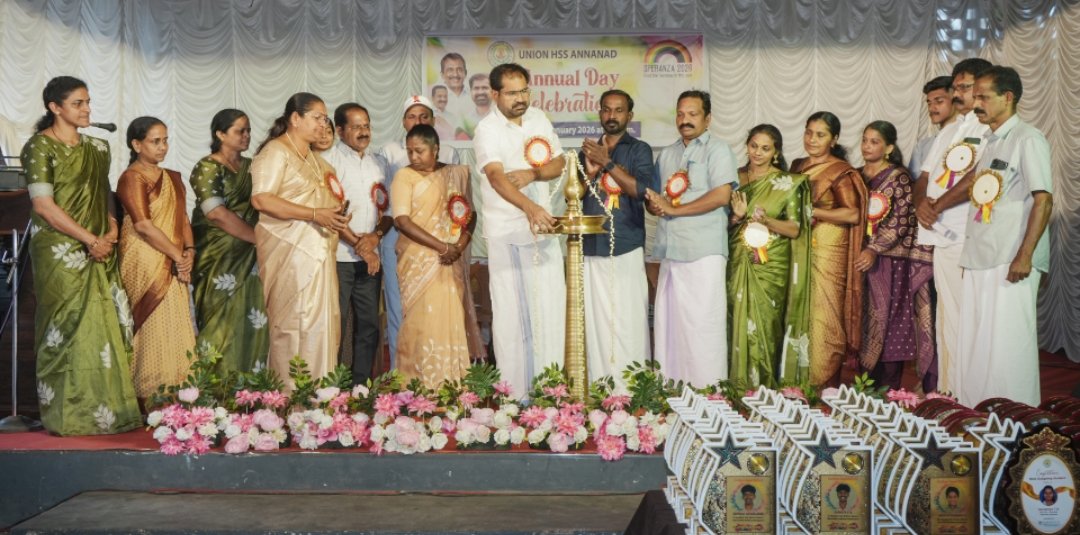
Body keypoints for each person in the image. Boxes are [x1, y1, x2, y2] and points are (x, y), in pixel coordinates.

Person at [925, 66, 1052, 406]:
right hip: (981, 255)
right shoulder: (993, 140)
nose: (975, 103)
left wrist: (1025, 255)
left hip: (1011, 257)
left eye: (983, 97)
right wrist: (937, 204)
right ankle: (977, 412)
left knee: (1008, 343)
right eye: (975, 96)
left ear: (1007, 97)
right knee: (976, 343)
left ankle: (1015, 416)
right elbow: (974, 185)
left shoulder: (1028, 138)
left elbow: (1043, 199)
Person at [21, 76, 140, 435]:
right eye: (78, 103)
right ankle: (69, 416)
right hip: (60, 250)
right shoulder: (39, 147)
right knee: (67, 324)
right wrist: (89, 239)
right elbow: (43, 205)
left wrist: (112, 229)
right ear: (55, 108)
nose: (87, 109)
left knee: (105, 326)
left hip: (101, 247)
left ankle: (107, 413)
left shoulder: (98, 148)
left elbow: (104, 194)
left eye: (88, 102)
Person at [473, 63, 568, 397]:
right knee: (513, 318)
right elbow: (497, 178)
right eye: (512, 93)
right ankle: (515, 396)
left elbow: (559, 162)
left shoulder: (539, 118)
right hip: (507, 232)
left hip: (543, 229)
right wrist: (530, 208)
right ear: (495, 94)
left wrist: (533, 175)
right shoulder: (487, 129)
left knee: (550, 309)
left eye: (524, 90)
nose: (521, 98)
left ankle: (551, 391)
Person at [250, 92, 348, 386]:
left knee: (323, 324)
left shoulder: (318, 162)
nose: (323, 124)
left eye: (325, 119)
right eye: (317, 117)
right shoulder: (275, 152)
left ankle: (321, 395)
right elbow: (261, 199)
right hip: (290, 256)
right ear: (295, 118)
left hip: (320, 253)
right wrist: (314, 214)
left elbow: (324, 204)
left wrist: (333, 217)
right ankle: (291, 397)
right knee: (294, 323)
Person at [645, 90, 737, 388]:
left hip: (703, 252)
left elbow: (721, 195)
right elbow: (658, 199)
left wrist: (674, 209)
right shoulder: (667, 154)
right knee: (670, 328)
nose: (685, 120)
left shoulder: (718, 150)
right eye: (681, 114)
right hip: (671, 251)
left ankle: (708, 393)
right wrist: (654, 204)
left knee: (702, 328)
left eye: (693, 114)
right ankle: (672, 391)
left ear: (708, 119)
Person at [914, 58, 993, 396]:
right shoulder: (950, 130)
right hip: (940, 236)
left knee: (964, 316)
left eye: (964, 88)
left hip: (966, 234)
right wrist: (921, 203)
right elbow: (924, 176)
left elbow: (979, 177)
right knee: (946, 316)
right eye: (957, 88)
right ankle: (947, 390)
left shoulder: (988, 129)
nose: (958, 94)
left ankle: (968, 395)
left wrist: (938, 206)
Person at [391, 124, 484, 388]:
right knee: (420, 323)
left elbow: (470, 214)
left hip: (449, 262)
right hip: (419, 262)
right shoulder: (404, 176)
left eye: (419, 151)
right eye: (409, 151)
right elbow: (401, 221)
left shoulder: (455, 174)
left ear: (436, 149)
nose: (414, 157)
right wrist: (442, 247)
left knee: (448, 320)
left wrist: (459, 246)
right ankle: (416, 386)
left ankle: (451, 385)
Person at [577, 89, 655, 391]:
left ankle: (633, 390)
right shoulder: (586, 150)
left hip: (625, 245)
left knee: (628, 322)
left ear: (629, 116)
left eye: (619, 110)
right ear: (599, 113)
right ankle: (601, 389)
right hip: (591, 246)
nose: (612, 115)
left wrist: (607, 164)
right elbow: (575, 196)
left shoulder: (639, 150)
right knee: (596, 324)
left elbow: (641, 190)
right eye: (607, 109)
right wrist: (590, 172)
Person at [116, 116, 197, 399]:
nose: (162, 147)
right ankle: (148, 395)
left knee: (176, 323)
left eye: (165, 141)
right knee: (152, 324)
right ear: (136, 144)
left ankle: (179, 394)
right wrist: (178, 256)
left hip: (174, 256)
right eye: (155, 141)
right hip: (144, 257)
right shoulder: (131, 177)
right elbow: (143, 225)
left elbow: (182, 219)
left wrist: (189, 252)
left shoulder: (173, 177)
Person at [727, 125, 812, 387]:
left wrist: (767, 221)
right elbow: (720, 224)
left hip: (770, 265)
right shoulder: (734, 178)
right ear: (747, 146)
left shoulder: (788, 183)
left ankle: (763, 386)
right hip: (737, 259)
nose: (758, 153)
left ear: (776, 152)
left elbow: (795, 229)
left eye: (765, 148)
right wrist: (737, 217)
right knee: (734, 320)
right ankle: (735, 386)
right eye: (754, 146)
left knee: (765, 322)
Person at [378, 95, 460, 369]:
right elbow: (384, 200)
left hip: (441, 241)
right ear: (403, 121)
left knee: (441, 306)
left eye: (424, 116)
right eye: (412, 117)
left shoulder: (448, 153)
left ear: (433, 121)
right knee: (400, 306)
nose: (418, 121)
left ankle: (438, 370)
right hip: (400, 235)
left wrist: (452, 244)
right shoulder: (390, 151)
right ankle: (400, 372)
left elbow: (458, 204)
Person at [855, 121, 936, 393]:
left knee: (889, 323)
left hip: (889, 263)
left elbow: (901, 220)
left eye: (874, 141)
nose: (867, 146)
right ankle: (863, 389)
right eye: (865, 140)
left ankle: (889, 392)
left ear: (889, 147)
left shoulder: (899, 178)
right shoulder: (855, 176)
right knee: (862, 323)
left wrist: (873, 249)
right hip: (858, 260)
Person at [189, 109, 269, 374]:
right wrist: (259, 238)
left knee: (252, 314)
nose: (246, 136)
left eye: (248, 130)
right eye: (239, 131)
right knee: (219, 323)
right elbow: (216, 213)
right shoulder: (207, 167)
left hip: (251, 257)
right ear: (220, 134)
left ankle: (252, 387)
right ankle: (216, 387)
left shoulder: (253, 167)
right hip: (218, 256)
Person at [791, 112, 867, 387]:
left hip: (828, 249)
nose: (812, 139)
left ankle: (821, 381)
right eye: (809, 132)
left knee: (825, 313)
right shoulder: (798, 166)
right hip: (799, 246)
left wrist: (814, 212)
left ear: (833, 140)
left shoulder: (840, 171)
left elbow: (852, 214)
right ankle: (796, 379)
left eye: (820, 135)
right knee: (799, 310)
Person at [322, 103, 388, 385]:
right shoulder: (328, 162)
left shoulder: (379, 163)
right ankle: (332, 389)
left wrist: (375, 238)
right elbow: (330, 212)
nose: (364, 132)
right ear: (339, 130)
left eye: (367, 126)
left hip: (370, 259)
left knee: (369, 325)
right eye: (356, 126)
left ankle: (360, 387)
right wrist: (361, 245)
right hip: (339, 258)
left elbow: (390, 211)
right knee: (335, 326)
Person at [908, 76, 958, 175]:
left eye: (939, 101)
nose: (931, 108)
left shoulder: (969, 137)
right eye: (929, 103)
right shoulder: (923, 146)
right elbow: (914, 179)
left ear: (956, 100)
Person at [438, 52, 472, 123]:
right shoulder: (434, 99)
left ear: (465, 73)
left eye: (459, 69)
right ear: (442, 75)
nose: (455, 74)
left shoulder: (474, 96)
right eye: (450, 70)